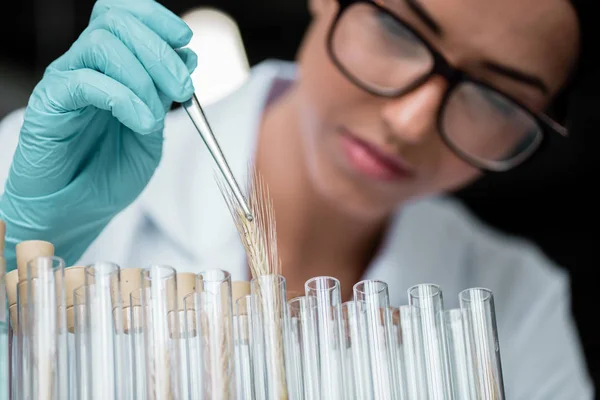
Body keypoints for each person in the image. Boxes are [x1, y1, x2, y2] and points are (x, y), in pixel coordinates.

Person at [0, 0, 595, 397]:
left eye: (495, 98)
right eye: (400, 32)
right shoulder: (44, 167)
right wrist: (10, 255)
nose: (412, 121)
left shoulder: (516, 308)